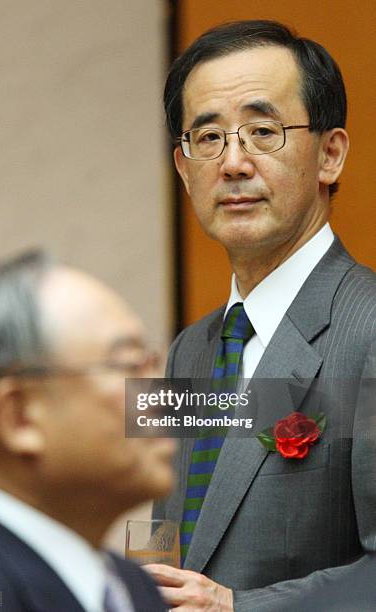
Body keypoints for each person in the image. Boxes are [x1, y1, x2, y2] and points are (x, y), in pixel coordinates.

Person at [149, 19, 376, 611]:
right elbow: (163, 534)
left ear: (330, 154)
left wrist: (238, 608)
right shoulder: (191, 348)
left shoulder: (370, 330)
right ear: (183, 167)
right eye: (209, 138)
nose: (233, 163)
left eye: (263, 131)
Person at [0, 250, 173, 612]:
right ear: (20, 417)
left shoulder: (134, 587)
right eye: (128, 365)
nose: (161, 397)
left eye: (151, 364)